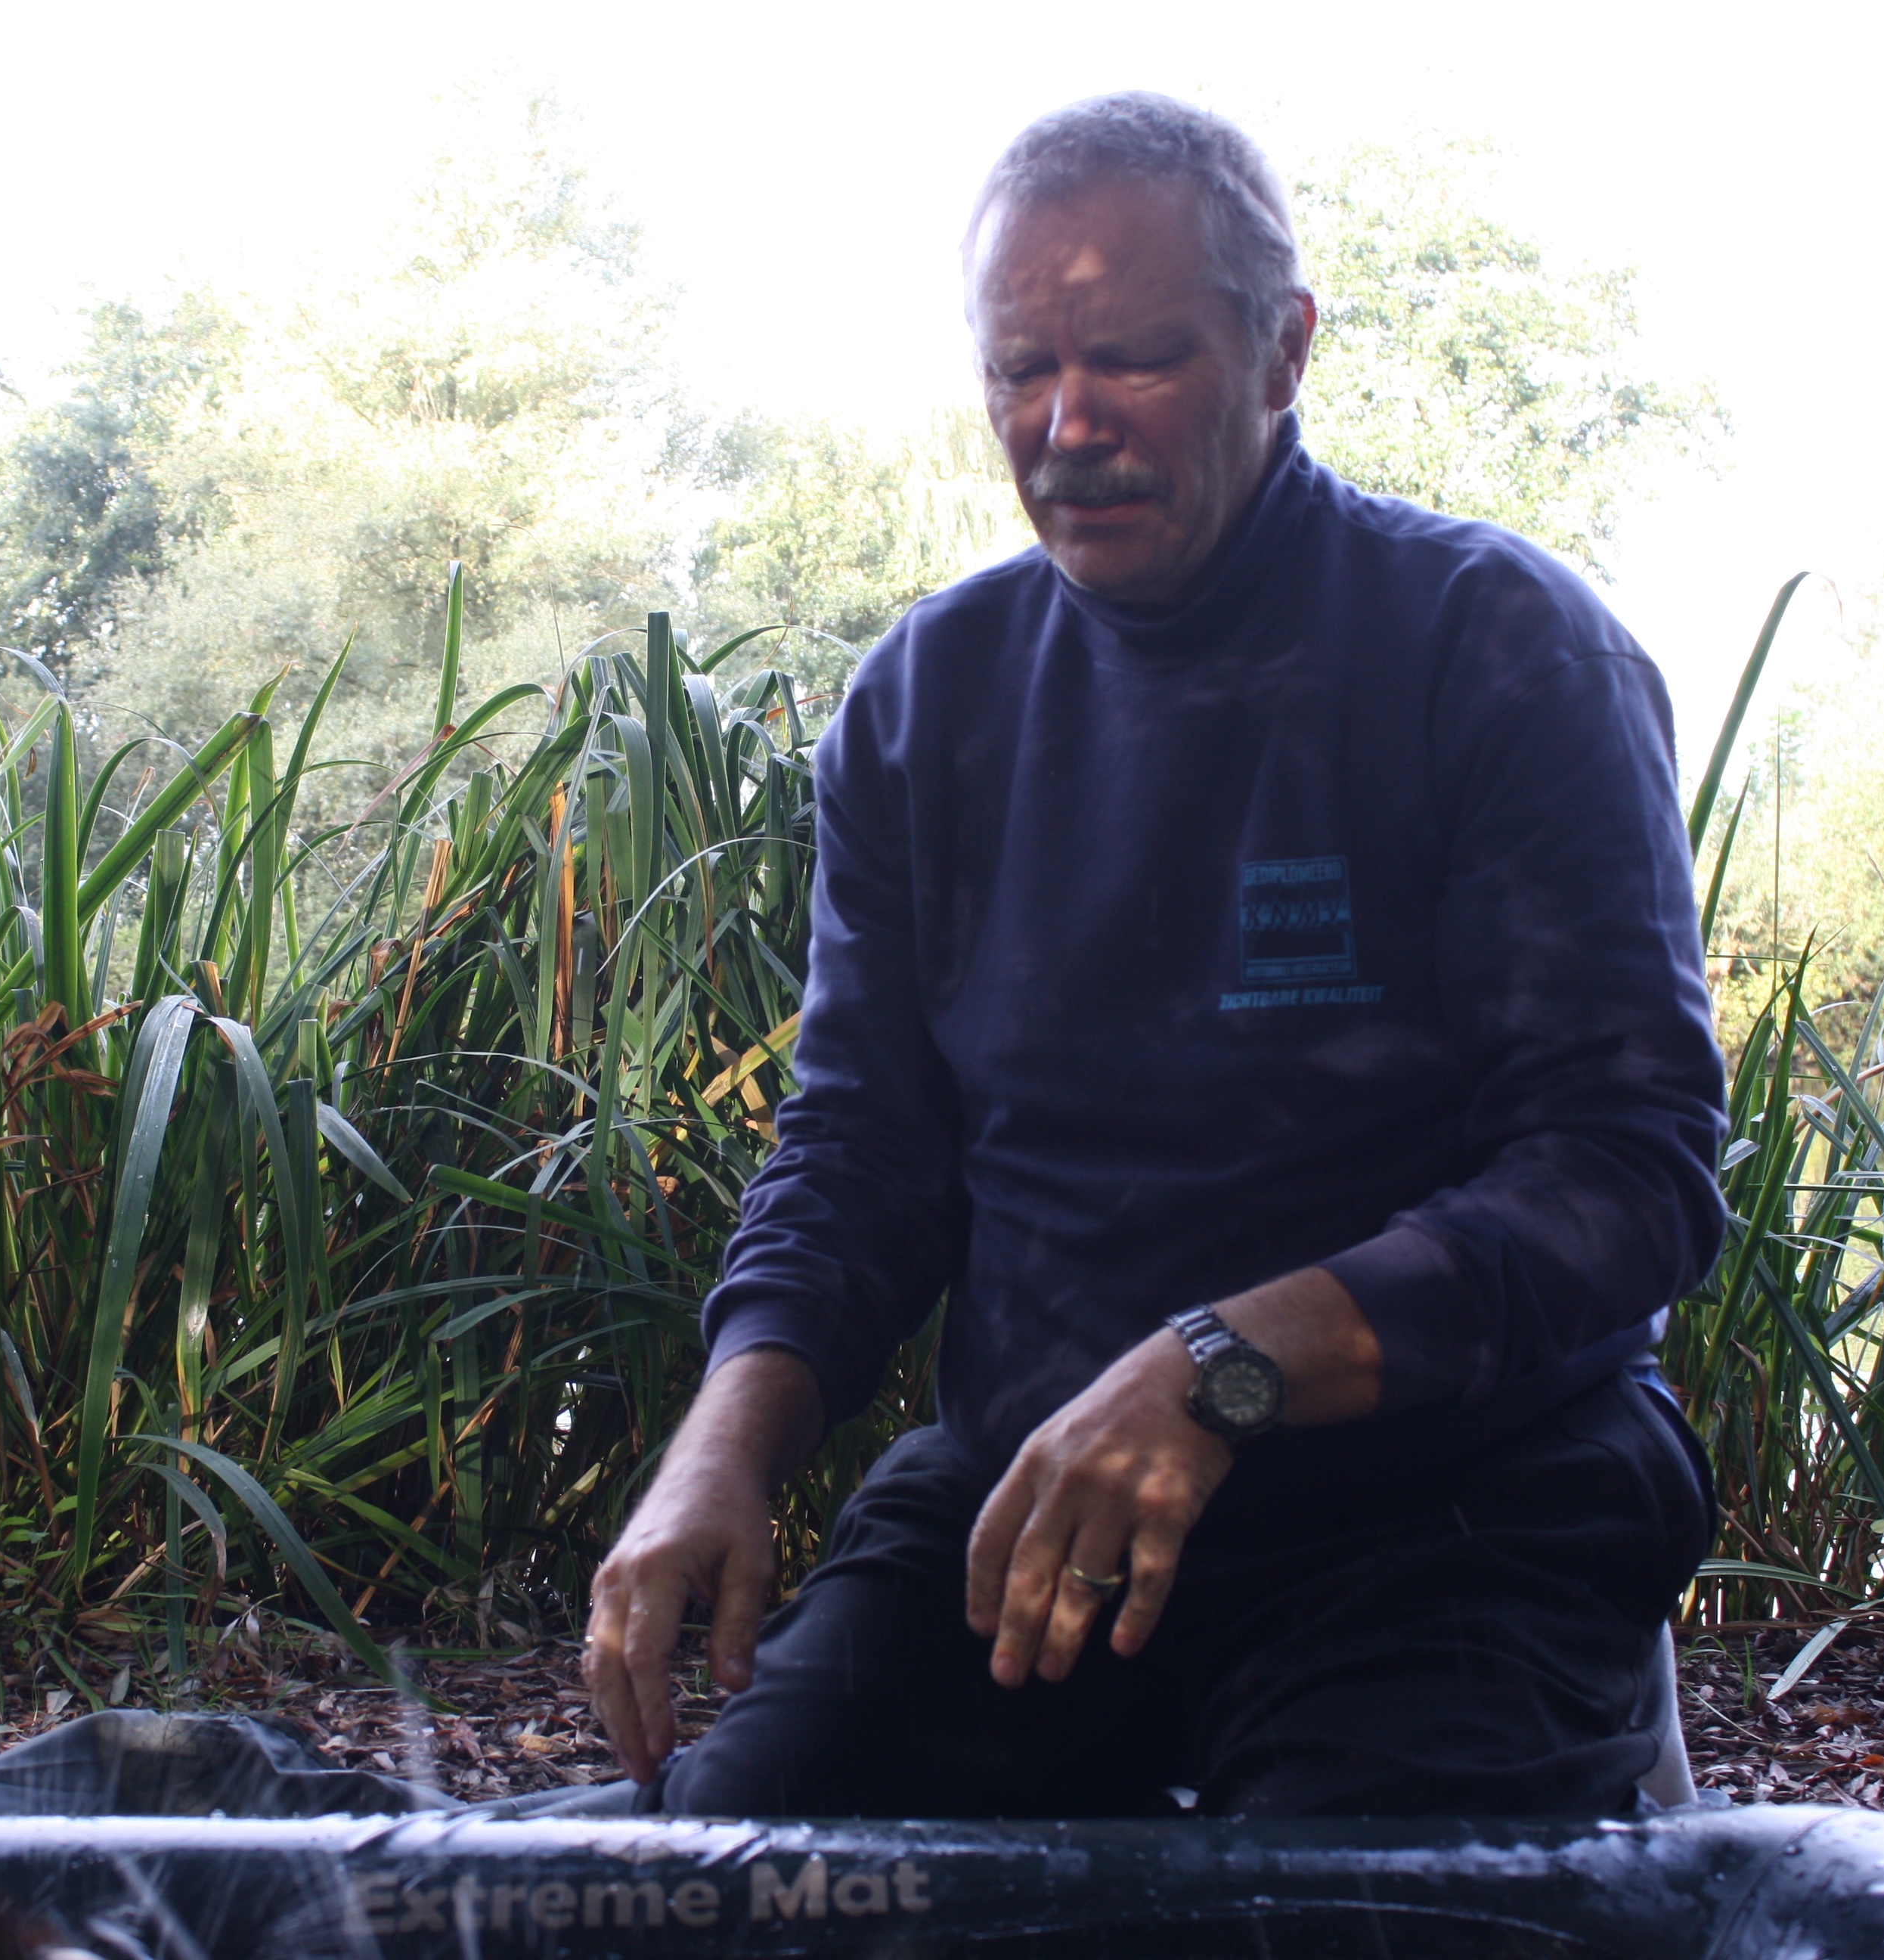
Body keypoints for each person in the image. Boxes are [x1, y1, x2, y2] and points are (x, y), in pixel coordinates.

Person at [581, 92, 1727, 1820]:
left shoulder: (1500, 650)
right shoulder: (924, 707)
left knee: (1327, 1919)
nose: (1066, 425)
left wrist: (1218, 1368)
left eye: (1134, 359)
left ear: (1284, 351)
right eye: (1019, 371)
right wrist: (716, 1453)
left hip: (1459, 1504)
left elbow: (1629, 1177)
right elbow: (861, 1154)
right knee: (734, 1876)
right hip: (1033, 1512)